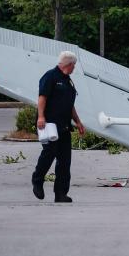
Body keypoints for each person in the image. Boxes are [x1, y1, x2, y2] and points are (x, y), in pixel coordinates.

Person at [31, 51, 85, 203]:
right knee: (49, 154)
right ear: (69, 64)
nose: (74, 68)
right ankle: (37, 180)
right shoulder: (50, 76)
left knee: (64, 160)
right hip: (49, 125)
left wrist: (78, 122)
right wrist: (41, 117)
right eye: (74, 65)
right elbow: (42, 97)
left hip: (64, 126)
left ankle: (60, 193)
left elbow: (70, 105)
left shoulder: (67, 81)